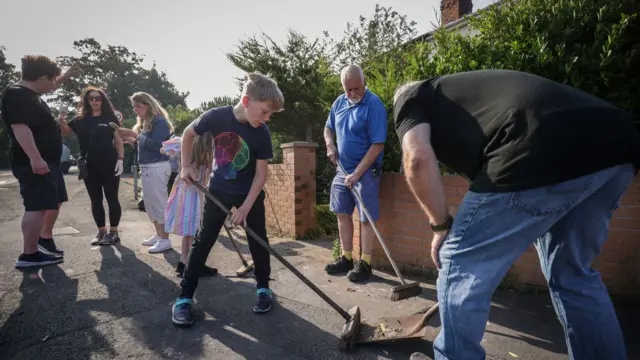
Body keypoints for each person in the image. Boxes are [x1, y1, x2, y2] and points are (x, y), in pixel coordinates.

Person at [392, 69, 640, 360]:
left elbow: (417, 159)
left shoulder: (411, 96)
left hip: (536, 146)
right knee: (572, 274)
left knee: (459, 260)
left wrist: (441, 226)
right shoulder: (469, 99)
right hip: (617, 149)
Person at [171, 72, 284, 326]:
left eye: (270, 115)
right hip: (219, 189)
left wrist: (245, 207)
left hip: (249, 193)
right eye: (265, 112)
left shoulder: (261, 133)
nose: (267, 119)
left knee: (259, 241)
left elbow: (261, 175)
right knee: (203, 241)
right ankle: (184, 297)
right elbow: (189, 133)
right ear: (247, 101)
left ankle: (263, 288)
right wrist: (185, 166)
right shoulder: (216, 116)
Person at [0, 55, 79, 268]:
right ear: (42, 77)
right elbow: (20, 128)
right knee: (36, 206)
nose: (55, 85)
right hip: (33, 163)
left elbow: (49, 85)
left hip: (48, 162)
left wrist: (65, 77)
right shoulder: (18, 96)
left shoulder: (29, 92)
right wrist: (35, 158)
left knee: (51, 202)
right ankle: (30, 254)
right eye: (52, 80)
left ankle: (42, 241)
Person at [323, 64, 388, 282]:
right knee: (342, 213)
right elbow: (328, 127)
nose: (352, 94)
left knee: (366, 217)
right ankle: (347, 258)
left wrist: (357, 174)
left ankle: (366, 263)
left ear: (364, 82)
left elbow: (377, 145)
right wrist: (330, 144)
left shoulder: (374, 105)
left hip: (367, 170)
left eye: (356, 88)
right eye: (348, 90)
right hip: (343, 169)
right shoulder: (339, 103)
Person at [58, 86, 124, 246]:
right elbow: (65, 132)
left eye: (98, 98)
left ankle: (113, 232)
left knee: (112, 198)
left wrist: (120, 159)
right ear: (87, 101)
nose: (94, 101)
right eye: (91, 98)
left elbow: (118, 139)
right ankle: (101, 232)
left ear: (103, 101)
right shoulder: (80, 119)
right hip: (89, 165)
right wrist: (61, 117)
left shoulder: (110, 118)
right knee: (95, 199)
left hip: (109, 163)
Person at [117, 92, 174, 253]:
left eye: (138, 106)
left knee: (158, 203)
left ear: (147, 105)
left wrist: (135, 136)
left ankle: (164, 239)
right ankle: (159, 235)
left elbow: (159, 146)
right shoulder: (147, 122)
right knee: (150, 204)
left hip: (157, 166)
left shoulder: (159, 121)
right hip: (149, 167)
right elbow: (148, 145)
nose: (135, 110)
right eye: (134, 106)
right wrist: (133, 141)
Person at [162, 134, 218, 278]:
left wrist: (178, 152)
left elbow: (163, 149)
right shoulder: (210, 152)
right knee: (195, 231)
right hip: (196, 194)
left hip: (185, 192)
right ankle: (193, 265)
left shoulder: (185, 143)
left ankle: (184, 262)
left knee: (190, 231)